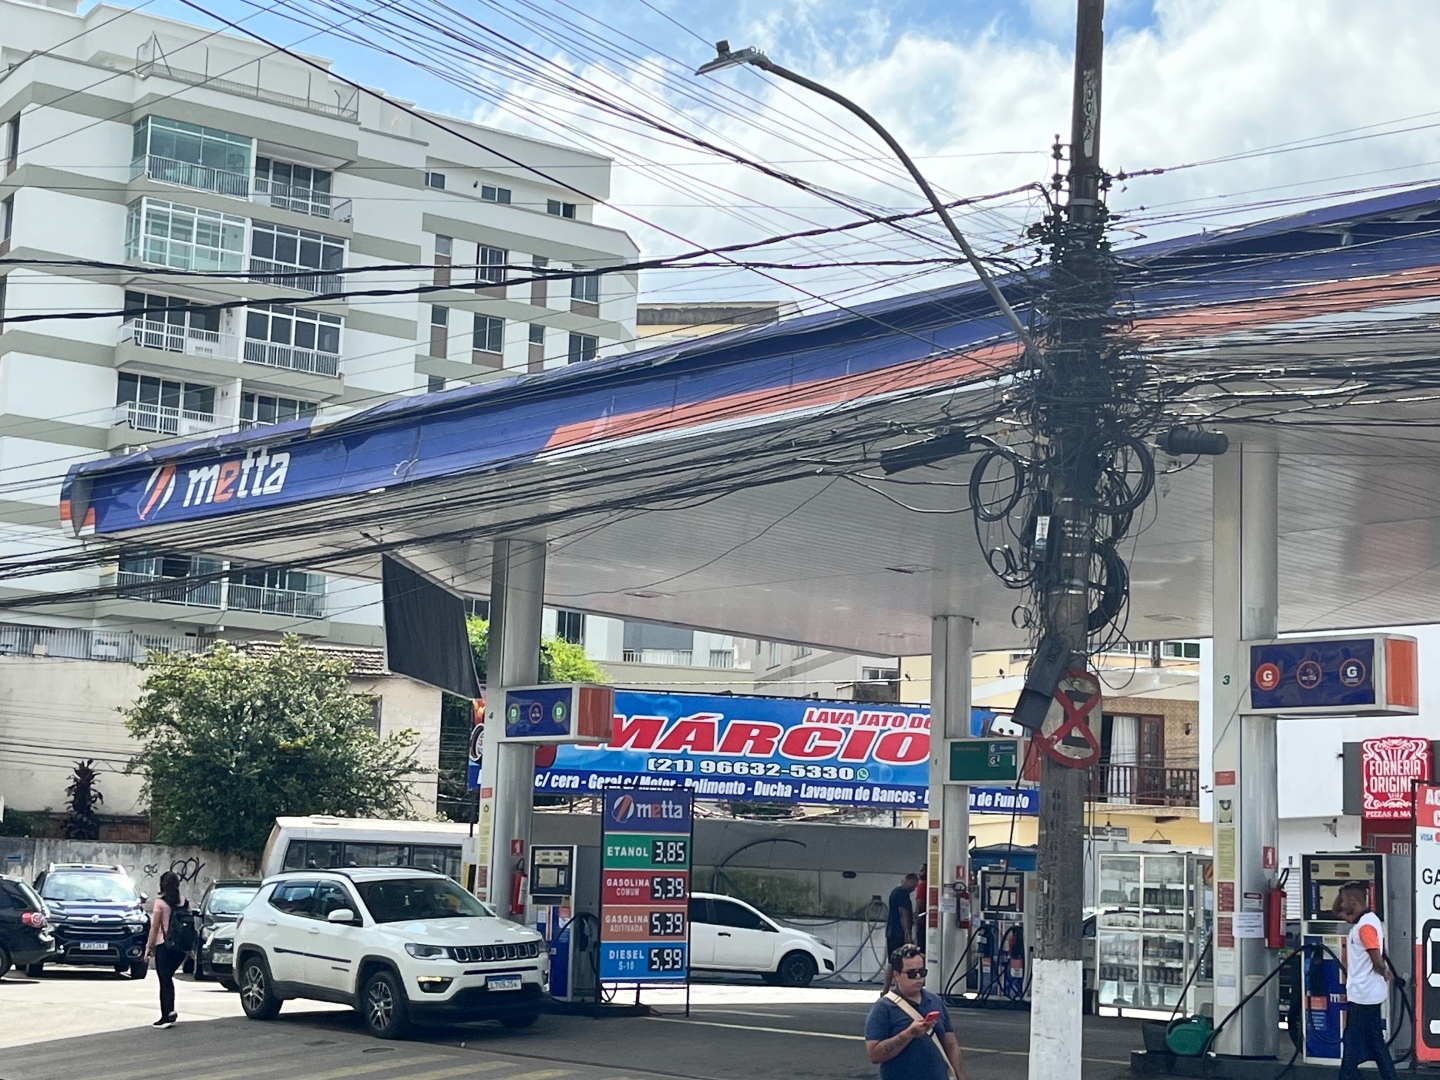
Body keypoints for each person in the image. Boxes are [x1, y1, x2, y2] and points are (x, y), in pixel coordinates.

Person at [865, 944, 966, 1080]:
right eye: (912, 973)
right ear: (897, 975)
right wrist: (909, 1033)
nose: (918, 977)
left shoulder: (935, 1000)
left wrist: (959, 1074)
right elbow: (874, 1055)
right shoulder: (883, 1008)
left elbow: (950, 1043)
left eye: (922, 972)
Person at [1332, 881, 1398, 1080]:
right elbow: (1336, 911)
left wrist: (1384, 971)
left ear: (1353, 900)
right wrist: (1340, 890)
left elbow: (1375, 956)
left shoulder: (1366, 925)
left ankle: (1347, 1076)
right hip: (1367, 994)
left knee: (1352, 1043)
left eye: (1345, 900)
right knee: (1375, 1043)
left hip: (1363, 995)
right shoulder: (1364, 920)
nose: (1342, 904)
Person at [144, 871, 185, 1029]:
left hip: (165, 946)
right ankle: (170, 1012)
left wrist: (148, 948)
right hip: (180, 949)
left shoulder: (160, 903)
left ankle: (165, 1016)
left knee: (164, 980)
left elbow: (155, 928)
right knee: (169, 978)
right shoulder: (184, 902)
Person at [881, 872, 919, 994]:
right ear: (910, 881)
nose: (914, 889)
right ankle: (888, 990)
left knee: (893, 962)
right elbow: (903, 914)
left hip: (892, 931)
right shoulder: (902, 893)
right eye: (914, 886)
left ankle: (888, 990)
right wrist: (907, 934)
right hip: (898, 933)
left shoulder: (895, 892)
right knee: (896, 962)